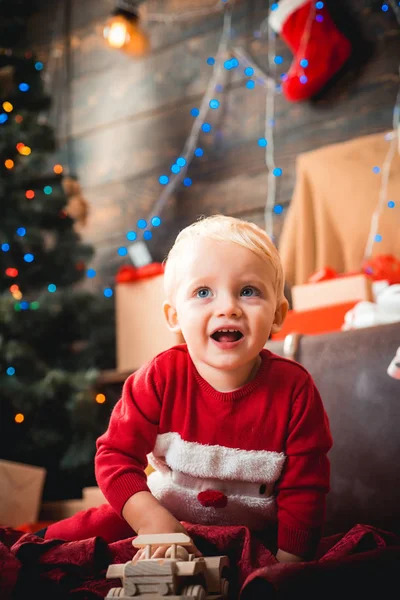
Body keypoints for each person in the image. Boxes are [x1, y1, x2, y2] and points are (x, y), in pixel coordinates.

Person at [42, 214, 333, 564]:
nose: (228, 307)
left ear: (278, 314)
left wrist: (289, 568)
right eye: (203, 292)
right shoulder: (160, 377)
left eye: (248, 291)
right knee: (66, 541)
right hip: (167, 514)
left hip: (257, 532)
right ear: (174, 315)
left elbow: (305, 489)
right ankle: (36, 550)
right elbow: (114, 457)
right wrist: (154, 523)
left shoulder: (295, 390)